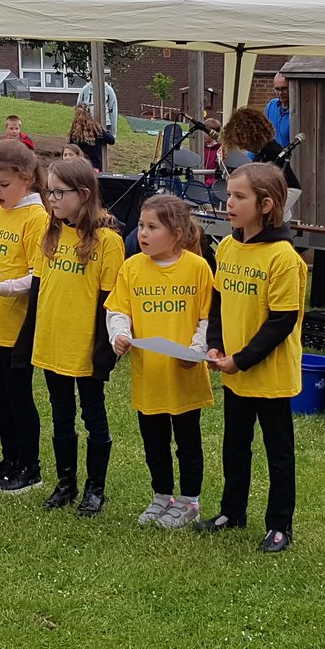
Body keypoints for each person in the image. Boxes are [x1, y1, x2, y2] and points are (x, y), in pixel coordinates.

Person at [197, 163, 305, 553]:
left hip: (268, 374)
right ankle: (232, 511)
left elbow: (281, 322)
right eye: (229, 195)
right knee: (234, 445)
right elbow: (218, 302)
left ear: (266, 204)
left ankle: (279, 525)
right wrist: (215, 345)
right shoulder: (226, 247)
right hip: (234, 370)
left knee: (278, 453)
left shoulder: (282, 257)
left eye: (239, 197)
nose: (229, 203)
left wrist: (241, 359)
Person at [18, 157, 123, 516]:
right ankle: (66, 483)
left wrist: (103, 352)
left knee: (92, 414)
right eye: (48, 192)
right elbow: (37, 290)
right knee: (61, 415)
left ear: (83, 193)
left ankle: (95, 489)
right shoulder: (50, 234)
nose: (52, 199)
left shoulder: (108, 241)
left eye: (59, 192)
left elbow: (109, 302)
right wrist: (26, 342)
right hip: (51, 342)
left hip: (85, 346)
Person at [106, 195, 213, 528]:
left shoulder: (197, 268)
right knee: (154, 441)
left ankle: (189, 500)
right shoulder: (131, 267)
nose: (143, 234)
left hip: (184, 376)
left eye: (153, 227)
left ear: (177, 233)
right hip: (148, 374)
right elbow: (118, 309)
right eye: (141, 226)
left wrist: (195, 352)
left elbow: (207, 319)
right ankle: (161, 495)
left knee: (187, 442)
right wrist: (119, 335)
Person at [0, 139, 49, 494]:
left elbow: (36, 277)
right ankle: (8, 460)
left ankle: (29, 467)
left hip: (18, 325)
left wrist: (0, 290)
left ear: (28, 178)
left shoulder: (37, 218)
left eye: (4, 184)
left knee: (18, 396)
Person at [220, 107, 299, 190]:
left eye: (242, 144)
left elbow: (285, 186)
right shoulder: (261, 153)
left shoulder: (273, 153)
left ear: (251, 137)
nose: (241, 147)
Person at [67, 105, 114, 171]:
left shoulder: (74, 133)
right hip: (95, 166)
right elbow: (111, 140)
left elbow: (71, 148)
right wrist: (107, 132)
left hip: (80, 166)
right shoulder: (97, 129)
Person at [265, 72, 290, 147]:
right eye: (277, 89)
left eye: (284, 88)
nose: (280, 93)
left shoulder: (298, 110)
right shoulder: (271, 106)